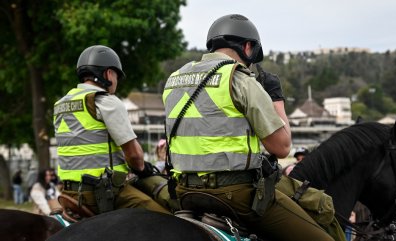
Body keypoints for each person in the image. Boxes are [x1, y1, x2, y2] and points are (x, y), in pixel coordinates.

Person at [163, 14, 340, 241]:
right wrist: (276, 99)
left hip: (184, 192)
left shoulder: (174, 80)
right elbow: (282, 147)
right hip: (234, 194)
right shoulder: (239, 79)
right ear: (247, 47)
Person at [53, 45, 169, 215]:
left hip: (70, 192)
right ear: (108, 74)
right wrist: (143, 169)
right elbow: (135, 157)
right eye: (116, 75)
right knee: (165, 220)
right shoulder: (106, 101)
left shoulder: (60, 104)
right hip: (104, 193)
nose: (117, 81)